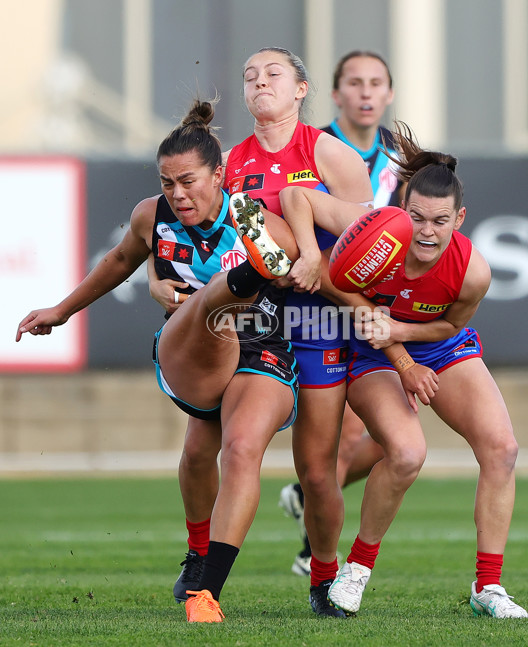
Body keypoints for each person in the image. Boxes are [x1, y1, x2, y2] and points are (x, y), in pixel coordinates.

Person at [150, 46, 438, 619]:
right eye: (249, 76)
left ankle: (324, 580)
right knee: (201, 450)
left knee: (316, 470)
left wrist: (313, 260)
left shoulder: (331, 154)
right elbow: (186, 238)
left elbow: (364, 251)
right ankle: (199, 559)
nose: (259, 82)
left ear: (302, 89)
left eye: (273, 73)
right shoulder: (226, 162)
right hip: (249, 325)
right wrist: (165, 281)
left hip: (318, 323)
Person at [15, 98, 311, 624]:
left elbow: (307, 273)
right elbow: (116, 261)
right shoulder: (151, 216)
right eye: (168, 182)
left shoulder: (253, 218)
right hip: (195, 347)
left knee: (238, 450)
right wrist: (60, 311)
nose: (178, 194)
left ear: (219, 175)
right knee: (198, 455)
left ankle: (207, 594)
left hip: (262, 347)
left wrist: (365, 319)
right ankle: (197, 553)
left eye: (190, 181)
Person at [276, 120, 528, 619]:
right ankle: (358, 569)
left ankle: (489, 588)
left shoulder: (473, 271)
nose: (426, 232)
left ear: (460, 218)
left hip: (434, 345)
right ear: (400, 208)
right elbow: (298, 205)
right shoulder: (377, 232)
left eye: (440, 221)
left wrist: (404, 339)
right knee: (409, 454)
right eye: (416, 218)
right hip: (371, 356)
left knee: (502, 449)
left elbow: (449, 327)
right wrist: (397, 353)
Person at [279, 50, 402, 576]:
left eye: (376, 83)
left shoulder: (397, 159)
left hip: (377, 305)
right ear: (334, 94)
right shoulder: (318, 148)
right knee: (350, 434)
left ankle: (305, 493)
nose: (366, 93)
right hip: (324, 303)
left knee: (392, 435)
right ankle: (315, 546)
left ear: (390, 93)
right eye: (355, 83)